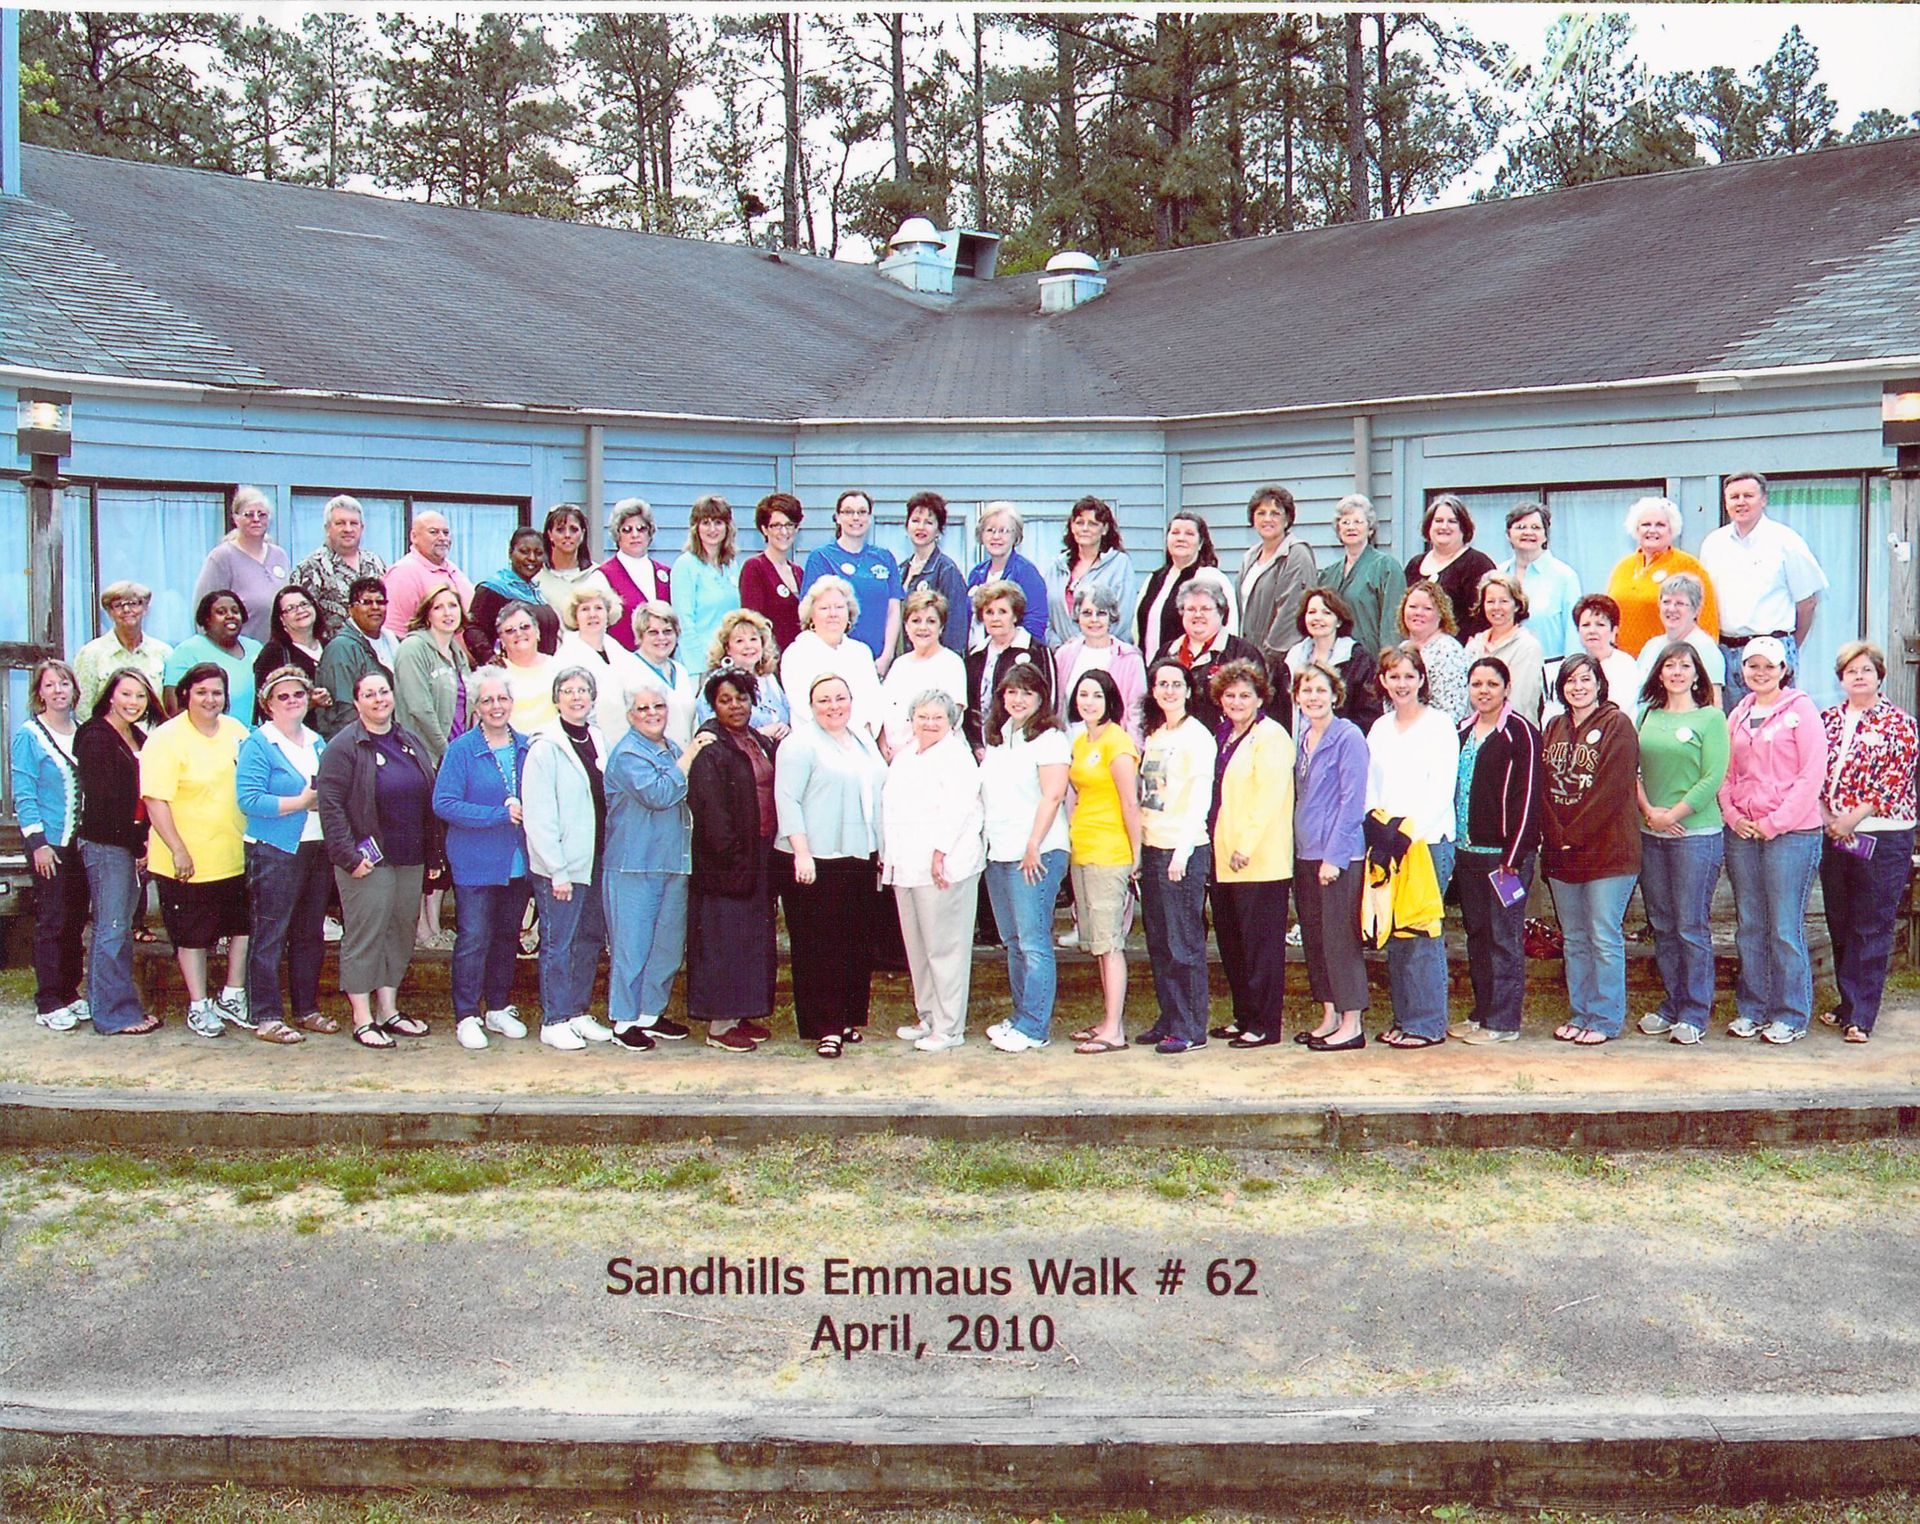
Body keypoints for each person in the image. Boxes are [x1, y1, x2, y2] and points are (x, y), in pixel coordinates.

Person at [315, 669, 437, 1048]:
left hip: (409, 856)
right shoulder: (344, 746)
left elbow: (427, 799)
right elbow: (330, 804)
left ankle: (389, 1009)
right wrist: (348, 856)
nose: (379, 699)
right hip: (367, 862)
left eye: (383, 691)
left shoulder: (408, 740)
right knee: (366, 934)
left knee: (400, 933)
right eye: (369, 694)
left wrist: (433, 853)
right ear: (356, 703)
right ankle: (362, 1016)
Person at [1719, 636, 1828, 1043]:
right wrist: (1732, 815)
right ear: (1742, 670)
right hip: (1743, 833)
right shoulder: (1738, 713)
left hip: (1791, 834)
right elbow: (1725, 773)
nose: (1760, 673)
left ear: (1784, 669)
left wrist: (1774, 822)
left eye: (1769, 666)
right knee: (1750, 924)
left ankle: (1791, 1013)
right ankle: (1754, 1009)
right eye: (1752, 666)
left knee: (1784, 926)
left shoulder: (1802, 711)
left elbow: (1811, 776)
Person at [776, 674, 888, 1057]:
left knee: (855, 942)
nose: (833, 706)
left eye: (840, 698)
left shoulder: (862, 741)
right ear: (811, 705)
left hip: (858, 854)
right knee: (819, 946)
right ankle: (824, 1026)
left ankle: (846, 1018)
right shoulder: (799, 744)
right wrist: (802, 852)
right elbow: (787, 800)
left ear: (852, 700)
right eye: (824, 700)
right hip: (816, 858)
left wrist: (882, 849)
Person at [141, 662, 251, 1039]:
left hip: (233, 853)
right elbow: (155, 800)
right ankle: (199, 1005)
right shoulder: (166, 738)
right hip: (186, 859)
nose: (210, 699)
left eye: (217, 692)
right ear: (186, 693)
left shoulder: (237, 731)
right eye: (202, 691)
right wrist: (178, 849)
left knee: (242, 926)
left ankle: (232, 996)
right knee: (192, 935)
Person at [1817, 642, 1918, 1044]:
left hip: (1883, 833)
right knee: (1840, 920)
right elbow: (1813, 771)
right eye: (1850, 671)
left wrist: (1850, 819)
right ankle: (1846, 1003)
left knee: (1871, 923)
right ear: (1841, 679)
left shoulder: (1900, 723)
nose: (1859, 676)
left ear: (1880, 676)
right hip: (1833, 831)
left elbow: (1893, 781)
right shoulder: (1826, 720)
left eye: (1866, 670)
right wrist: (1829, 819)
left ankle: (1862, 1015)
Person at [602, 678, 708, 1054]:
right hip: (634, 864)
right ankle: (624, 1019)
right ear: (630, 715)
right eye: (643, 709)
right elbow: (660, 794)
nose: (652, 714)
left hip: (673, 862)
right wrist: (692, 754)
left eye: (658, 707)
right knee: (632, 946)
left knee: (666, 946)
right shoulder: (629, 754)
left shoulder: (671, 748)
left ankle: (649, 1013)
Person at [1540, 654, 1642, 1044]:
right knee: (1575, 936)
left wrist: (1574, 832)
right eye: (1570, 681)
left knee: (1602, 933)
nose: (1578, 687)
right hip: (1561, 851)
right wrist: (1556, 832)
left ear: (1600, 682)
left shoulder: (1618, 725)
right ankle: (1581, 1011)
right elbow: (1542, 787)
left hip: (1608, 852)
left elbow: (1613, 790)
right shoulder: (1553, 727)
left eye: (1586, 679)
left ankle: (1605, 1017)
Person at [1633, 642, 1731, 1047]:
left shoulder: (1711, 718)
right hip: (1651, 832)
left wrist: (1672, 815)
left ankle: (1695, 1010)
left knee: (1690, 925)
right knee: (1662, 923)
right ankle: (1672, 1003)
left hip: (1695, 835)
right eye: (1669, 665)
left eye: (1685, 665)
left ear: (1697, 674)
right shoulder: (1645, 715)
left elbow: (1713, 778)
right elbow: (1632, 770)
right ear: (1659, 673)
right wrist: (1650, 811)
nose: (1676, 672)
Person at [432, 669, 533, 1052]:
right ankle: (467, 1013)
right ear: (476, 706)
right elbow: (444, 803)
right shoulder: (461, 749)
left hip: (517, 861)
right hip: (475, 861)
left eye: (502, 699)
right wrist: (496, 815)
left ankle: (498, 1006)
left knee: (508, 936)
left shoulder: (525, 746)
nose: (496, 706)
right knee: (474, 938)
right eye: (487, 700)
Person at [1367, 644, 1459, 1048]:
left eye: (1408, 675)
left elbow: (1441, 787)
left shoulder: (1440, 725)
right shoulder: (1380, 727)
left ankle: (1427, 1023)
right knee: (1395, 929)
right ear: (1383, 682)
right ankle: (1405, 1018)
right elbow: (1370, 784)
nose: (1401, 684)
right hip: (1388, 843)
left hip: (1426, 841)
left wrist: (1409, 831)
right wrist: (1378, 825)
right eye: (1393, 676)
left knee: (1421, 933)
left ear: (1422, 679)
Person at [236, 667, 334, 1046]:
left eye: (298, 695)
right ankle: (266, 1015)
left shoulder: (317, 741)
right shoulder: (258, 743)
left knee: (310, 932)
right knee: (270, 932)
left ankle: (306, 1008)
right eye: (283, 696)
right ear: (267, 704)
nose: (292, 701)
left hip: (316, 846)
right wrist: (301, 803)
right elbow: (248, 799)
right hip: (275, 848)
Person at [884, 692, 986, 1053]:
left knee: (946, 949)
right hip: (907, 867)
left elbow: (960, 810)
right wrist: (889, 857)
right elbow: (892, 808)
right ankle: (927, 1014)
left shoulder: (956, 757)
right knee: (919, 948)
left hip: (945, 868)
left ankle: (949, 1026)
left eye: (937, 718)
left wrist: (941, 853)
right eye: (922, 716)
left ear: (951, 722)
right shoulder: (906, 756)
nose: (929, 723)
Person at [1201, 659, 1296, 1051]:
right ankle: (1244, 1017)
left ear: (1261, 698)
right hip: (1223, 858)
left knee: (1260, 948)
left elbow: (1269, 798)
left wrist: (1246, 846)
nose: (1237, 701)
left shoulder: (1271, 736)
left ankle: (1264, 1025)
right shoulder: (1225, 733)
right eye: (1230, 695)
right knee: (1233, 944)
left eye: (1245, 695)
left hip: (1259, 860)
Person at [1450, 656, 1544, 1045]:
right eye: (1477, 684)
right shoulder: (1461, 732)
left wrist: (1514, 855)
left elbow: (1527, 798)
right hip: (1467, 851)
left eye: (1492, 684)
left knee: (1504, 937)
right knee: (1477, 934)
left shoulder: (1521, 733)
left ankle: (1504, 1021)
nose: (1483, 691)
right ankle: (1482, 1011)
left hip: (1504, 857)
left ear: (1506, 688)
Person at [686, 668, 780, 1051]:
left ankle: (740, 1014)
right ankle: (719, 1028)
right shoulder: (711, 748)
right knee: (724, 941)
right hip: (726, 861)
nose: (735, 706)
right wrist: (733, 857)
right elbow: (711, 813)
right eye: (726, 700)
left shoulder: (756, 740)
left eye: (741, 698)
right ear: (713, 705)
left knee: (750, 940)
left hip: (759, 854)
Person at [979, 664, 1072, 1053]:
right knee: (1013, 940)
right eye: (1011, 692)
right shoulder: (1000, 738)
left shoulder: (1050, 739)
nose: (1018, 700)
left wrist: (1034, 843)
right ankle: (1020, 1016)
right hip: (999, 852)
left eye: (1027, 693)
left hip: (1037, 852)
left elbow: (1052, 795)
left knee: (1034, 942)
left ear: (1040, 699)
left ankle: (1035, 1026)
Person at [523, 667, 616, 1051]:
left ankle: (578, 1011)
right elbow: (539, 814)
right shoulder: (545, 747)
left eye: (583, 690)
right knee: (558, 942)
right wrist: (556, 869)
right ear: (556, 698)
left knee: (589, 938)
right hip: (559, 866)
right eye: (568, 690)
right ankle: (555, 1018)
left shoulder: (597, 738)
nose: (577, 697)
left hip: (594, 858)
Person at [1133, 659, 1219, 1054]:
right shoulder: (1154, 735)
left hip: (1181, 849)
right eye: (1161, 684)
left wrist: (1182, 852)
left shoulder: (1196, 736)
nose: (1168, 690)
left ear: (1188, 690)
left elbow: (1200, 797)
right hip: (1152, 845)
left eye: (1176, 684)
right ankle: (1168, 1017)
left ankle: (1190, 1028)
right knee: (1160, 942)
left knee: (1184, 942)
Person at [75, 670, 162, 1034]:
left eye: (140, 697)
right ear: (110, 695)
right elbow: (106, 798)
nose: (134, 703)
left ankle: (117, 1006)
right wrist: (137, 843)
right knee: (110, 930)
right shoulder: (95, 736)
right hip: (107, 845)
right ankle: (112, 1015)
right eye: (126, 694)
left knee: (120, 929)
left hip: (131, 844)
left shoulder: (138, 735)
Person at [1292, 663, 1371, 1052]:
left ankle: (1352, 1022)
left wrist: (1335, 858)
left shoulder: (1348, 736)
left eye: (1320, 690)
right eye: (1306, 691)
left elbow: (1352, 801)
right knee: (1316, 939)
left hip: (1337, 856)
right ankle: (1329, 1015)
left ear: (1335, 695)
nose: (1313, 697)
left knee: (1340, 939)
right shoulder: (1303, 736)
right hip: (1305, 853)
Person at [1701, 471, 1828, 709]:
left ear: (1763, 500)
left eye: (1748, 495)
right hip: (1725, 653)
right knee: (1732, 730)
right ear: (1725, 502)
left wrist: (1786, 645)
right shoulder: (1713, 544)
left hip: (1771, 651)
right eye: (1734, 496)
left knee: (1775, 729)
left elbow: (1807, 603)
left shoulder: (1786, 541)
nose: (1741, 502)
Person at [1065, 670, 1142, 1055]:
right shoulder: (1081, 741)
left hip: (1110, 853)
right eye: (1083, 695)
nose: (1089, 702)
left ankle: (1115, 1029)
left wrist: (1137, 852)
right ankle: (1105, 1019)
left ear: (1110, 699)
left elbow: (1131, 802)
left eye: (1096, 695)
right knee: (1096, 942)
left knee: (1110, 943)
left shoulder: (1118, 743)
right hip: (1083, 849)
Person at [14, 660, 88, 1031]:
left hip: (81, 843)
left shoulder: (83, 731)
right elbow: (24, 793)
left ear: (74, 690)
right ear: (39, 693)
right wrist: (38, 843)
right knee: (53, 921)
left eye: (64, 683)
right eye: (50, 685)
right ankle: (48, 1000)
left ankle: (70, 991)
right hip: (49, 844)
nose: (58, 691)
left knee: (76, 920)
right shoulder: (30, 735)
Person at [801, 489, 903, 670]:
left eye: (862, 512)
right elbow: (811, 614)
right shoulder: (821, 558)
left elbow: (893, 610)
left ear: (870, 517)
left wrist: (886, 656)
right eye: (848, 512)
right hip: (835, 659)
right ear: (838, 518)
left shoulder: (884, 558)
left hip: (878, 659)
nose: (856, 518)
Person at [1605, 496, 1719, 658]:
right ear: (1636, 530)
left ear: (1672, 530)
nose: (1652, 530)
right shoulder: (1623, 567)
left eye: (1660, 525)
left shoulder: (1688, 566)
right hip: (1624, 662)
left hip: (1669, 663)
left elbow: (1707, 621)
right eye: (1646, 524)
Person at [779, 576, 884, 743]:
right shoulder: (796, 654)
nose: (833, 614)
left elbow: (874, 703)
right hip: (816, 747)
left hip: (861, 744)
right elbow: (803, 708)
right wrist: (840, 739)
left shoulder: (861, 652)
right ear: (811, 615)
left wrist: (859, 737)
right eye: (824, 608)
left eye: (839, 607)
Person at [1162, 581, 1265, 735]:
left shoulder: (1241, 653)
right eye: (1191, 609)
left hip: (1226, 743)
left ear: (1221, 613)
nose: (1198, 615)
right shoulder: (1167, 653)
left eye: (1205, 609)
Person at [1052, 583, 1149, 745]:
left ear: (1111, 616)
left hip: (1113, 750)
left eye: (1101, 613)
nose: (1094, 620)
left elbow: (1136, 713)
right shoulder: (1064, 654)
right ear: (1078, 616)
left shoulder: (1129, 658)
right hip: (1069, 746)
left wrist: (1132, 754)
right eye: (1087, 613)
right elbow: (1055, 705)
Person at [193, 486, 292, 643]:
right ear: (236, 518)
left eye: (262, 514)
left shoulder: (279, 555)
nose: (256, 519)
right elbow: (203, 612)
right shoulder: (222, 557)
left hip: (276, 652)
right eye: (249, 515)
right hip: (237, 653)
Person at [963, 580, 1052, 753]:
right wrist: (976, 746)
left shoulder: (1036, 652)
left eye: (1002, 612)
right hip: (981, 749)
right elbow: (969, 707)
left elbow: (1048, 702)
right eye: (989, 612)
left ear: (1015, 615)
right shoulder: (975, 656)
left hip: (1024, 747)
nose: (995, 618)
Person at [1238, 484, 1318, 671]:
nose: (1268, 519)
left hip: (1279, 662)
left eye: (1275, 513)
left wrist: (1268, 658)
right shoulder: (1250, 557)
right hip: (1248, 658)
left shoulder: (1296, 554)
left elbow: (1291, 611)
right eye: (1261, 513)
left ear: (1287, 518)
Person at [1136, 511, 1237, 655]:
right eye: (1175, 532)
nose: (1181, 538)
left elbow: (1229, 628)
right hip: (1154, 671)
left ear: (1201, 542)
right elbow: (1137, 629)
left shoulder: (1211, 578)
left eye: (1189, 534)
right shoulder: (1153, 579)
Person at [882, 588, 968, 757]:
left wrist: (908, 753)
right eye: (916, 620)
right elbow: (884, 710)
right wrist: (883, 745)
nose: (923, 627)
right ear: (906, 626)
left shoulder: (951, 664)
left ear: (941, 627)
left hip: (935, 757)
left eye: (930, 621)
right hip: (893, 759)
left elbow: (950, 719)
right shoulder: (899, 664)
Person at [393, 586, 473, 766]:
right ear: (427, 614)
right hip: (426, 759)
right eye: (438, 607)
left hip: (458, 755)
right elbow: (420, 708)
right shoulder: (413, 648)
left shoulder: (457, 652)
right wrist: (446, 751)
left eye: (453, 605)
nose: (447, 613)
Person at [557, 582, 645, 743]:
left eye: (598, 608)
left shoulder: (617, 650)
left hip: (629, 738)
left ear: (608, 613)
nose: (592, 615)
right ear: (575, 616)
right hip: (590, 740)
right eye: (585, 609)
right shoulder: (566, 656)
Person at [1284, 588, 1382, 732]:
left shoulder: (1358, 660)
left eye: (1326, 613)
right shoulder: (1292, 658)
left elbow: (1368, 713)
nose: (1317, 618)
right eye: (1311, 612)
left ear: (1339, 621)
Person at [1495, 502, 1581, 664]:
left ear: (1545, 535)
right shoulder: (1498, 574)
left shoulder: (1564, 576)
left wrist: (1571, 671)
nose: (1528, 532)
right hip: (1503, 668)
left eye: (1535, 527)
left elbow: (1573, 634)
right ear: (1508, 534)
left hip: (1549, 670)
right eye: (1520, 527)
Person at [1405, 495, 1497, 643]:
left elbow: (1485, 618)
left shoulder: (1477, 564)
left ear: (1463, 527)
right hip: (1416, 653)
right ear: (1429, 526)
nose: (1444, 526)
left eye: (1452, 521)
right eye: (1438, 521)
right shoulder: (1414, 565)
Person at [1046, 495, 1134, 649]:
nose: (1085, 528)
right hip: (1061, 656)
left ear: (1105, 529)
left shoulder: (1119, 564)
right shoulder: (1057, 567)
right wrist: (1059, 648)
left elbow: (1122, 619)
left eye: (1093, 524)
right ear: (1072, 527)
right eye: (1080, 523)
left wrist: (1088, 648)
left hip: (1104, 655)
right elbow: (1046, 618)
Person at [313, 577, 397, 738]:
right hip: (359, 744)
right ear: (351, 609)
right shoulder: (341, 649)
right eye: (366, 602)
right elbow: (344, 712)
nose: (375, 607)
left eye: (380, 602)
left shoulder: (393, 643)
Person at [1317, 494, 1399, 658]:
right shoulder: (1328, 574)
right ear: (1338, 530)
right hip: (1334, 662)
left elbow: (1392, 625)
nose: (1351, 527)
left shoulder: (1386, 567)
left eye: (1358, 522)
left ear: (1370, 529)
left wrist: (1388, 663)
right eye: (1345, 522)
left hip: (1371, 661)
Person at [294, 494, 389, 634]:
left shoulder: (375, 562)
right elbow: (299, 621)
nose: (348, 529)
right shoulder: (310, 568)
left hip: (373, 650)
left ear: (362, 528)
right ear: (327, 528)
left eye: (354, 523)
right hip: (331, 651)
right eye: (340, 523)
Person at [164, 589, 263, 722]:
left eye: (235, 611)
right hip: (209, 737)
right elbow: (174, 709)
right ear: (207, 619)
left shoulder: (255, 648)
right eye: (221, 612)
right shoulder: (187, 651)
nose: (230, 616)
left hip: (256, 736)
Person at [74, 582, 172, 714]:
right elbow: (83, 709)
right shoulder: (91, 653)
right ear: (109, 612)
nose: (126, 610)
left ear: (145, 608)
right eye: (118, 605)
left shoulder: (164, 653)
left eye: (133, 603)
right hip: (105, 734)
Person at [591, 499, 675, 653]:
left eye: (641, 529)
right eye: (627, 530)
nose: (635, 535)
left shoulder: (667, 574)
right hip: (621, 664)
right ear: (617, 536)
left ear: (650, 533)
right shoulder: (603, 576)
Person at [695, 608, 791, 741]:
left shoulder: (769, 679)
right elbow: (713, 734)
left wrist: (785, 729)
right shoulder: (717, 683)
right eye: (740, 641)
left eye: (753, 639)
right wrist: (760, 734)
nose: (748, 646)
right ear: (727, 648)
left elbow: (786, 716)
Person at [894, 490, 971, 655]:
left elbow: (956, 631)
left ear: (938, 530)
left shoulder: (946, 570)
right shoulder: (900, 570)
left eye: (928, 522)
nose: (920, 527)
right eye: (915, 520)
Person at [1463, 571, 1546, 724]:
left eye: (1504, 601)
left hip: (1512, 735)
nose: (1496, 607)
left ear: (1517, 605)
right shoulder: (1475, 645)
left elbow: (1520, 702)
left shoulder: (1527, 647)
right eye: (1490, 601)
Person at [671, 493, 743, 666]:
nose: (712, 529)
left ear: (728, 527)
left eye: (718, 522)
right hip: (698, 663)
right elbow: (684, 623)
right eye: (706, 523)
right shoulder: (686, 565)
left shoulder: (732, 566)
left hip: (728, 660)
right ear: (696, 528)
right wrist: (699, 667)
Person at [965, 501, 1050, 649]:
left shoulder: (1027, 573)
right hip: (980, 656)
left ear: (1015, 536)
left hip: (1014, 657)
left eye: (1004, 531)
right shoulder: (976, 574)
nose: (996, 536)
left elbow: (1036, 623)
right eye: (990, 530)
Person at [469, 528, 561, 662]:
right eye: (524, 551)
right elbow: (473, 629)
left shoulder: (536, 592)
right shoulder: (494, 588)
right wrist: (489, 658)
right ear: (510, 553)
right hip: (511, 673)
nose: (531, 558)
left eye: (538, 553)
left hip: (542, 670)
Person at [1632, 574, 1725, 706]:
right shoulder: (1651, 646)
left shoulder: (1706, 649)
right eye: (1666, 602)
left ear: (1696, 610)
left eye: (1680, 603)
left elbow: (1714, 704)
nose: (1671, 609)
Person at [383, 510, 473, 640]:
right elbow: (394, 634)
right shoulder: (403, 573)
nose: (442, 538)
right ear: (414, 537)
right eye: (434, 532)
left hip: (460, 658)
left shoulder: (453, 569)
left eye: (446, 533)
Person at [252, 585, 333, 724]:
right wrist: (309, 703)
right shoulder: (273, 654)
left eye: (304, 604)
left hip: (336, 733)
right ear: (282, 619)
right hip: (296, 735)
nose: (300, 611)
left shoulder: (331, 646)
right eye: (291, 608)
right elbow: (266, 707)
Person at [739, 492, 806, 652]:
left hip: (797, 658)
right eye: (776, 525)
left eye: (789, 525)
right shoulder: (755, 568)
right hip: (769, 660)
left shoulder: (798, 572)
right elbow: (753, 623)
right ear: (764, 529)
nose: (784, 532)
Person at [1396, 581, 1470, 721]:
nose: (1418, 613)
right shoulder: (1402, 648)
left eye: (1427, 608)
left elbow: (1452, 711)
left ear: (1441, 614)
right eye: (1413, 606)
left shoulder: (1447, 650)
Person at [632, 600, 699, 748]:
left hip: (685, 760)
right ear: (640, 635)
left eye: (668, 631)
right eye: (653, 632)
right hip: (647, 764)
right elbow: (615, 728)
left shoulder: (680, 671)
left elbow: (693, 722)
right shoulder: (626, 671)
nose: (661, 638)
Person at [492, 601, 560, 733]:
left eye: (525, 627)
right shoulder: (495, 674)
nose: (518, 633)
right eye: (510, 630)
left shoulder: (557, 667)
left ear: (538, 632)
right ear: (502, 641)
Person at [1568, 594, 1643, 714]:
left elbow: (1621, 707)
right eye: (1586, 625)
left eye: (1600, 625)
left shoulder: (1625, 664)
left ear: (1614, 630)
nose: (1592, 631)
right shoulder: (1571, 665)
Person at [533, 502, 596, 612]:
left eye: (574, 529)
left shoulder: (597, 576)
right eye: (560, 529)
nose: (567, 535)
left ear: (583, 534)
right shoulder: (536, 578)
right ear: (550, 535)